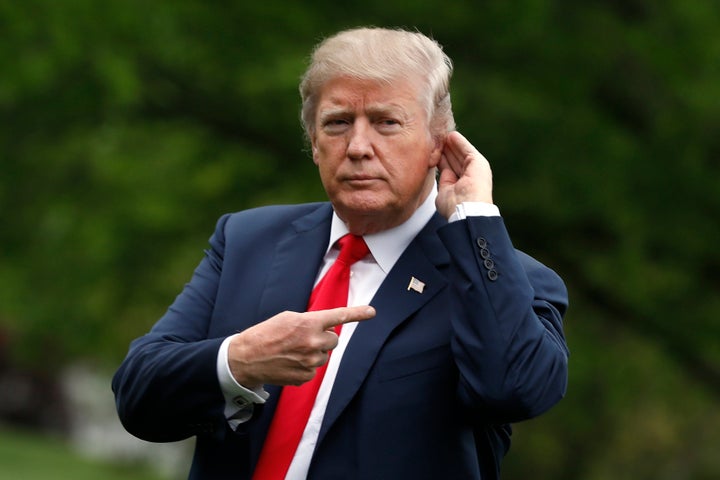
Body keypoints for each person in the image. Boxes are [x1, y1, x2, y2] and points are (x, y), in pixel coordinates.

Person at [112, 27, 569, 480]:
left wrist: (475, 219)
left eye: (387, 122)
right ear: (313, 141)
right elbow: (138, 394)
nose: (357, 148)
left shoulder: (502, 275)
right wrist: (240, 360)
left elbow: (515, 390)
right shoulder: (247, 239)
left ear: (439, 143)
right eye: (337, 123)